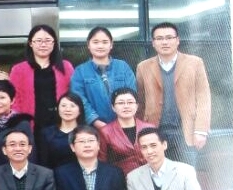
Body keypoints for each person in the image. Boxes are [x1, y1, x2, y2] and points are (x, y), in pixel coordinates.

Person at [135, 22, 211, 166]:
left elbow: (204, 98)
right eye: (159, 38)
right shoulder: (143, 67)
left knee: (186, 173)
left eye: (169, 37)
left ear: (177, 40)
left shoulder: (195, 63)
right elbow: (140, 102)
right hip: (155, 131)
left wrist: (201, 130)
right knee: (157, 173)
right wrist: (140, 131)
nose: (165, 42)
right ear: (153, 43)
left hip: (185, 131)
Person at [9, 24, 74, 132]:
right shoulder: (18, 70)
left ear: (54, 43)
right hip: (29, 126)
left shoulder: (66, 67)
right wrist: (20, 124)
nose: (43, 44)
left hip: (60, 126)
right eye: (39, 41)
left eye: (48, 40)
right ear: (31, 43)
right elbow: (13, 99)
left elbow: (74, 95)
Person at [69, 27, 136, 128]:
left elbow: (132, 94)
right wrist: (95, 121)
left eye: (105, 42)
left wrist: (122, 120)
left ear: (111, 44)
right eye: (95, 42)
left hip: (123, 125)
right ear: (88, 45)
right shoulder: (80, 71)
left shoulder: (123, 67)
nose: (100, 46)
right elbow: (79, 99)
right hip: (92, 128)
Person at [97, 88, 155, 174]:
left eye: (130, 102)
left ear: (137, 106)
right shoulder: (105, 132)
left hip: (150, 175)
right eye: (121, 103)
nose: (126, 106)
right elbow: (102, 161)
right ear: (113, 107)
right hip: (121, 178)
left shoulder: (149, 128)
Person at [37, 93, 85, 169]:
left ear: (80, 110)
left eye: (72, 106)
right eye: (63, 106)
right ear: (57, 109)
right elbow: (43, 163)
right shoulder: (47, 133)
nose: (67, 109)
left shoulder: (87, 133)